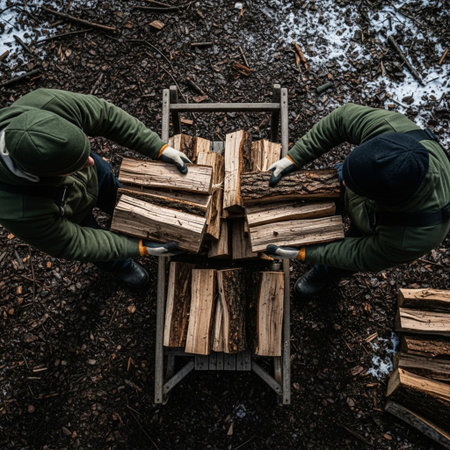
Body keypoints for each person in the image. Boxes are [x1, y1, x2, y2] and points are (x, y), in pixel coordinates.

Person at [0, 88, 192, 289]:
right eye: (78, 164)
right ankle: (120, 266)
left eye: (85, 152)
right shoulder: (16, 208)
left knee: (114, 191)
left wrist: (158, 148)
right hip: (72, 214)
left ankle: (127, 215)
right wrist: (139, 248)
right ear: (43, 175)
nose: (91, 161)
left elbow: (105, 115)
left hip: (94, 182)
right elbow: (74, 242)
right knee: (93, 238)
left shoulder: (44, 104)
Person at [266, 103, 450, 298]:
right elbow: (341, 119)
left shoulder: (414, 235)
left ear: (379, 198)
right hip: (374, 195)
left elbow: (358, 254)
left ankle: (323, 273)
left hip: (379, 226)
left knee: (341, 262)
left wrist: (304, 253)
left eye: (350, 182)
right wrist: (293, 158)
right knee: (334, 185)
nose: (343, 180)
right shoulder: (392, 130)